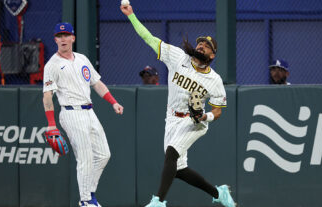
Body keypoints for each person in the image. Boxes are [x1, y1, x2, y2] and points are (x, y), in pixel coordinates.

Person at [120, 4, 235, 207]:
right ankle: (219, 193)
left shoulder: (215, 80)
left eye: (206, 46)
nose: (201, 46)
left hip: (194, 122)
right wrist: (131, 16)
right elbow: (149, 38)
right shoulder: (177, 57)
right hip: (172, 118)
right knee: (179, 169)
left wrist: (204, 117)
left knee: (172, 152)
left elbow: (217, 111)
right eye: (200, 44)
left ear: (212, 55)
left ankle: (158, 202)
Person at [42, 22, 124, 207]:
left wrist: (113, 102)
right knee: (85, 158)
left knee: (104, 155)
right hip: (71, 113)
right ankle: (87, 200)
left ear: (73, 38)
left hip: (89, 111)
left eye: (66, 35)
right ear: (55, 39)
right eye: (59, 36)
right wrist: (51, 124)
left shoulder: (82, 59)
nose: (63, 39)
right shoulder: (52, 65)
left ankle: (88, 195)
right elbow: (47, 95)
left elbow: (97, 84)